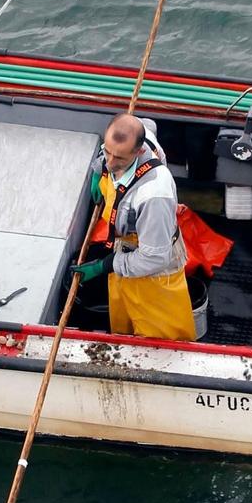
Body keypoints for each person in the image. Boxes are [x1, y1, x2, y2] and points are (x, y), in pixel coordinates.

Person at [77, 112, 197, 340]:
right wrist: (98, 169)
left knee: (160, 346)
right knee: (123, 332)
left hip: (155, 279)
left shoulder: (154, 197)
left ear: (140, 151)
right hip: (125, 258)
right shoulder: (139, 135)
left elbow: (154, 258)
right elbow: (142, 126)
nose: (111, 163)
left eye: (119, 159)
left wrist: (106, 265)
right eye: (107, 153)